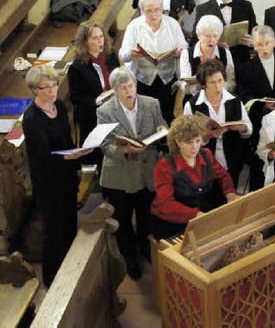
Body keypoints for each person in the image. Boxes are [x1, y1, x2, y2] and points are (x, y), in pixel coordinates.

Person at [23, 65, 92, 287]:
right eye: (46, 87)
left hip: (67, 174)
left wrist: (78, 165)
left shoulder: (60, 107)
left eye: (54, 85)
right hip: (48, 181)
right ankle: (52, 278)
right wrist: (70, 158)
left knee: (71, 222)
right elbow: (43, 156)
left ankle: (71, 269)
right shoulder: (32, 118)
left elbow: (68, 141)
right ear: (35, 89)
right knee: (54, 230)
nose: (53, 91)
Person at [97, 67, 167, 279]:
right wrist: (126, 149)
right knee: (124, 221)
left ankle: (145, 247)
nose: (129, 91)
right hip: (121, 177)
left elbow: (162, 123)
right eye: (123, 87)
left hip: (147, 171)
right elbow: (105, 145)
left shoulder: (151, 103)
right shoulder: (105, 111)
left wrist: (161, 130)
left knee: (146, 215)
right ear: (114, 90)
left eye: (131, 85)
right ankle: (129, 259)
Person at [150, 115, 238, 239]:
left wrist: (230, 193)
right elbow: (166, 204)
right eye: (189, 142)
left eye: (197, 141)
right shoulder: (165, 165)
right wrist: (195, 215)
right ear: (177, 141)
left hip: (201, 213)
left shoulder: (206, 154)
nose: (195, 147)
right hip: (172, 222)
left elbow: (223, 176)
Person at [236, 25, 275, 191]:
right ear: (253, 46)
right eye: (259, 45)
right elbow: (244, 95)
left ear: (274, 42)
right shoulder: (244, 68)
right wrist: (263, 104)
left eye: (267, 43)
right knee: (260, 163)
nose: (263, 48)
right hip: (260, 120)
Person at [119, 0, 189, 124]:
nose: (153, 14)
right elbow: (122, 54)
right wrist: (132, 53)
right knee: (146, 118)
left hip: (167, 78)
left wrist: (179, 52)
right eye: (148, 11)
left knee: (167, 114)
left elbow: (184, 47)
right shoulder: (134, 26)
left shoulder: (172, 24)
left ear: (162, 8)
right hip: (142, 79)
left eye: (156, 10)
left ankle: (166, 142)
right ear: (142, 10)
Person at [183, 59, 252, 187]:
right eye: (212, 83)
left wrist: (243, 128)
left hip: (232, 160)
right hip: (204, 164)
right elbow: (186, 139)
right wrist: (206, 136)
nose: (218, 86)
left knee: (231, 198)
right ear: (203, 84)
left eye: (220, 81)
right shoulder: (192, 105)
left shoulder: (234, 101)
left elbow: (248, 130)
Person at [67, 20, 120, 166]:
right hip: (93, 115)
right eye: (95, 38)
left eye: (101, 36)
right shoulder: (77, 67)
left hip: (114, 108)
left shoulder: (110, 56)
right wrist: (97, 100)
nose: (100, 41)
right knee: (100, 155)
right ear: (85, 42)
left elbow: (117, 78)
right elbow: (75, 97)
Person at [192, 0, 257, 66]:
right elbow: (195, 38)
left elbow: (254, 32)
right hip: (215, 62)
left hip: (242, 61)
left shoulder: (245, 6)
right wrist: (214, 44)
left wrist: (251, 41)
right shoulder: (203, 9)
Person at [180, 15, 236, 97]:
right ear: (199, 36)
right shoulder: (186, 54)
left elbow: (232, 83)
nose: (212, 40)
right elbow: (184, 86)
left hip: (220, 97)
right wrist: (199, 87)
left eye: (215, 36)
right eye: (208, 36)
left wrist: (215, 86)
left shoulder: (225, 53)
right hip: (194, 99)